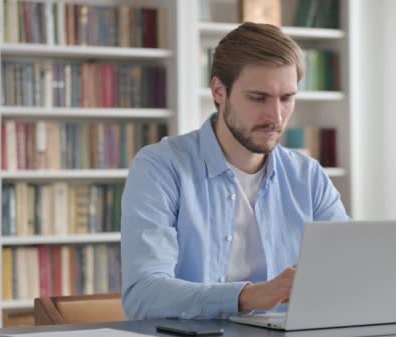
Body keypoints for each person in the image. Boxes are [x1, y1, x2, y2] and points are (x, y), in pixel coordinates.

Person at [121, 22, 349, 320]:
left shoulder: (308, 176)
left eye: (286, 98)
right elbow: (144, 296)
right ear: (219, 91)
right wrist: (250, 296)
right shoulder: (160, 168)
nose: (276, 116)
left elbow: (347, 274)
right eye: (258, 98)